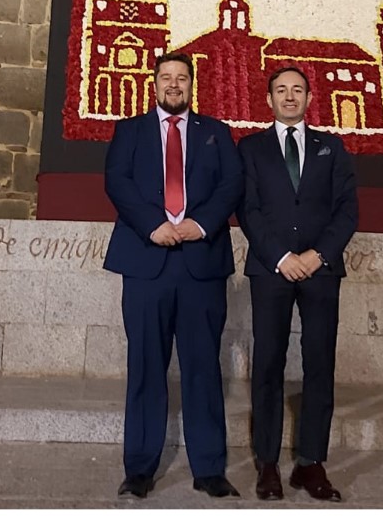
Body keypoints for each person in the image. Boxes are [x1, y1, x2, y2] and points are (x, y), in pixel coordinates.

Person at [103, 53, 244, 500]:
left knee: (203, 366)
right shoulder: (130, 131)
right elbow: (117, 182)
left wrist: (198, 225)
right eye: (166, 77)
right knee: (146, 366)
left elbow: (231, 186)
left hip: (201, 263)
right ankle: (140, 469)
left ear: (192, 85)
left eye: (182, 78)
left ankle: (209, 468)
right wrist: (153, 225)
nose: (174, 84)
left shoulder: (216, 134)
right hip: (147, 261)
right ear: (155, 84)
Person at [237, 67, 358, 502]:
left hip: (321, 272)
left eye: (297, 90)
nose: (289, 97)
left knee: (319, 364)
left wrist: (316, 255)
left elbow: (347, 211)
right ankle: (267, 463)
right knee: (268, 363)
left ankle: (311, 463)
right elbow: (248, 209)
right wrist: (282, 258)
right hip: (271, 271)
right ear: (268, 99)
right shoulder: (250, 148)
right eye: (281, 90)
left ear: (310, 97)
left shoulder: (332, 148)